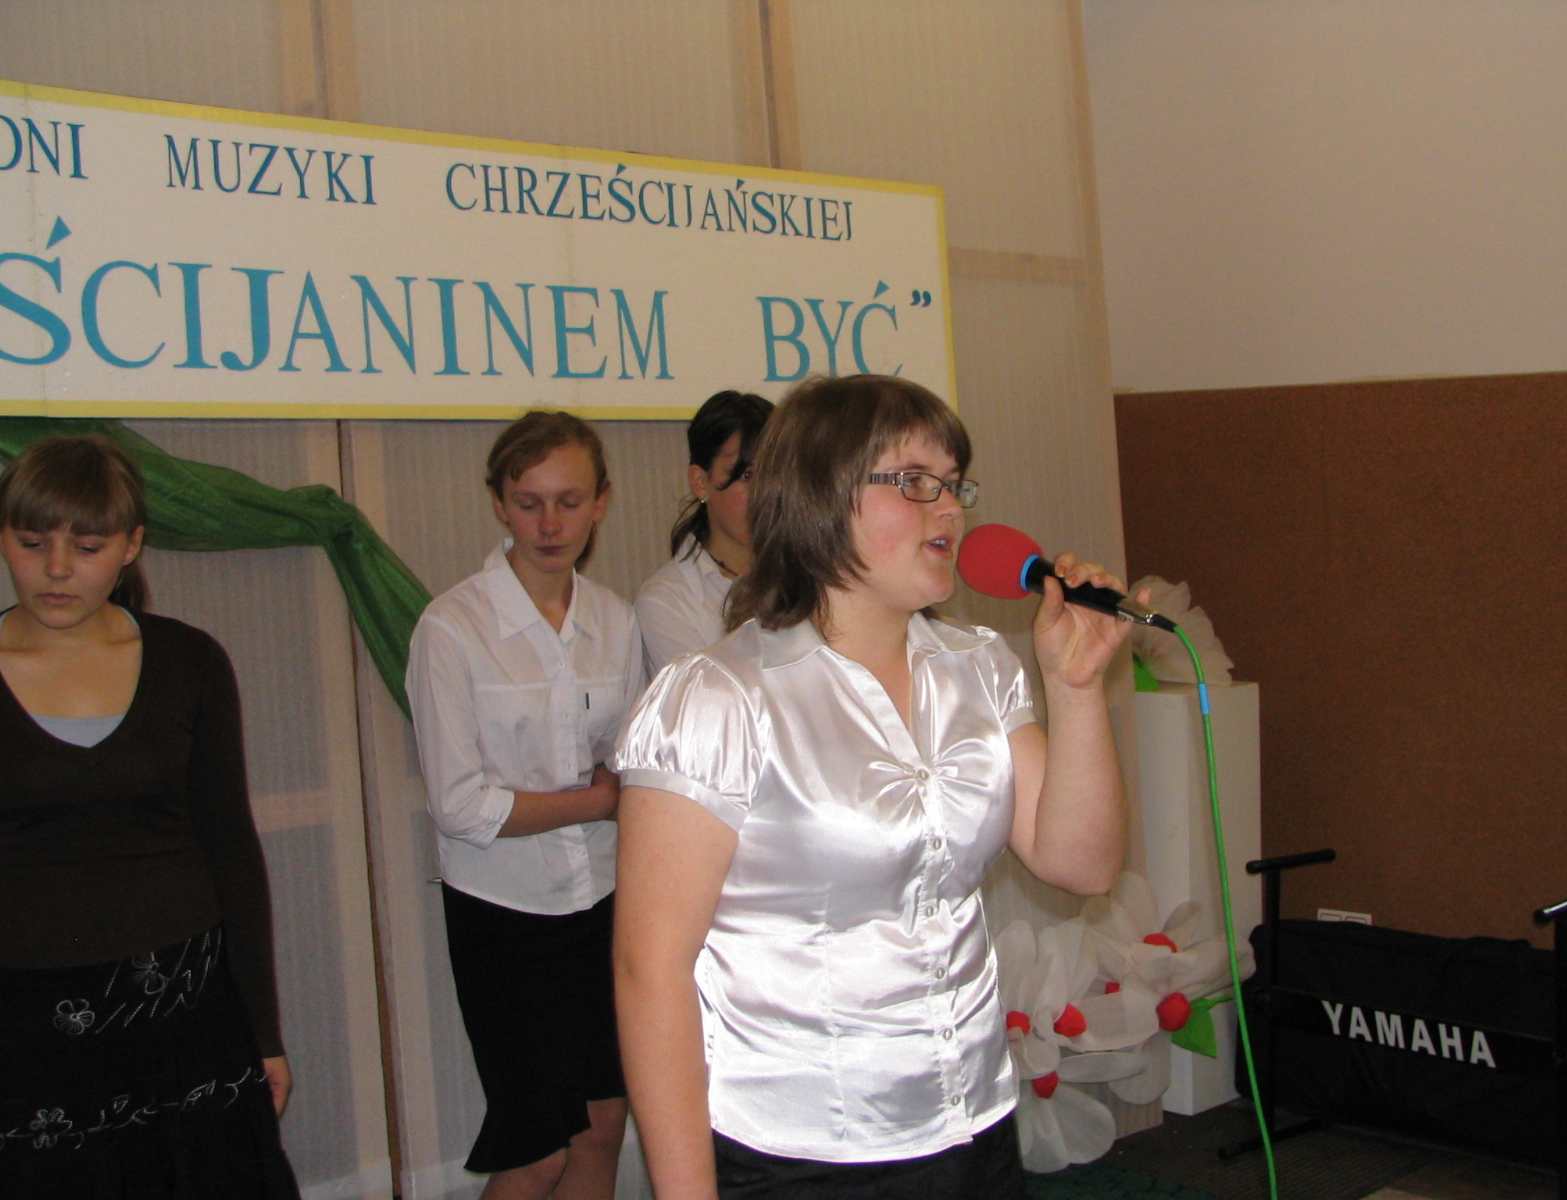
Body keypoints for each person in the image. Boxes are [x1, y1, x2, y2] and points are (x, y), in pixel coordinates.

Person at [612, 375, 1138, 1198]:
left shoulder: (978, 668)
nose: (949, 508)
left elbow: (1083, 864)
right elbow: (649, 971)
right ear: (821, 496)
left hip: (974, 1127)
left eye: (954, 483)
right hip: (799, 1152)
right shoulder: (717, 699)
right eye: (916, 482)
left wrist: (1074, 690)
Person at [0, 435, 298, 1198]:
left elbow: (231, 848)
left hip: (185, 1011)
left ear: (131, 546)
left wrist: (263, 1031)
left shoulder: (190, 661)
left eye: (87, 546)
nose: (56, 569)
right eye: (31, 543)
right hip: (27, 1027)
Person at [406, 411, 645, 1200]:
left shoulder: (614, 619)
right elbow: (461, 807)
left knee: (603, 1127)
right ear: (499, 504)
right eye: (529, 502)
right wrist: (593, 802)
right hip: (502, 912)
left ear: (601, 502)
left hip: (603, 897)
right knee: (537, 1152)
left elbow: (630, 761)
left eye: (569, 502)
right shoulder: (452, 627)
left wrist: (608, 795)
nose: (549, 524)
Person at [634, 390, 772, 677]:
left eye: (775, 474)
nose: (765, 493)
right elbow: (707, 698)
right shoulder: (667, 600)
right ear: (700, 481)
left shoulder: (812, 577)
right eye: (747, 476)